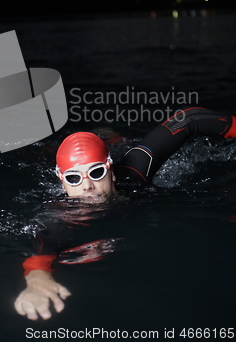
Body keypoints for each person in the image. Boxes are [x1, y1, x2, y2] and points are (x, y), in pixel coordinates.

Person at [14, 107, 236, 320]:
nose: (87, 186)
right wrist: (37, 280)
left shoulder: (132, 172)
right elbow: (42, 249)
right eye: (73, 178)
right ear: (62, 183)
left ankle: (111, 137)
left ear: (111, 171)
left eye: (96, 172)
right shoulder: (59, 215)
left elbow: (188, 119)